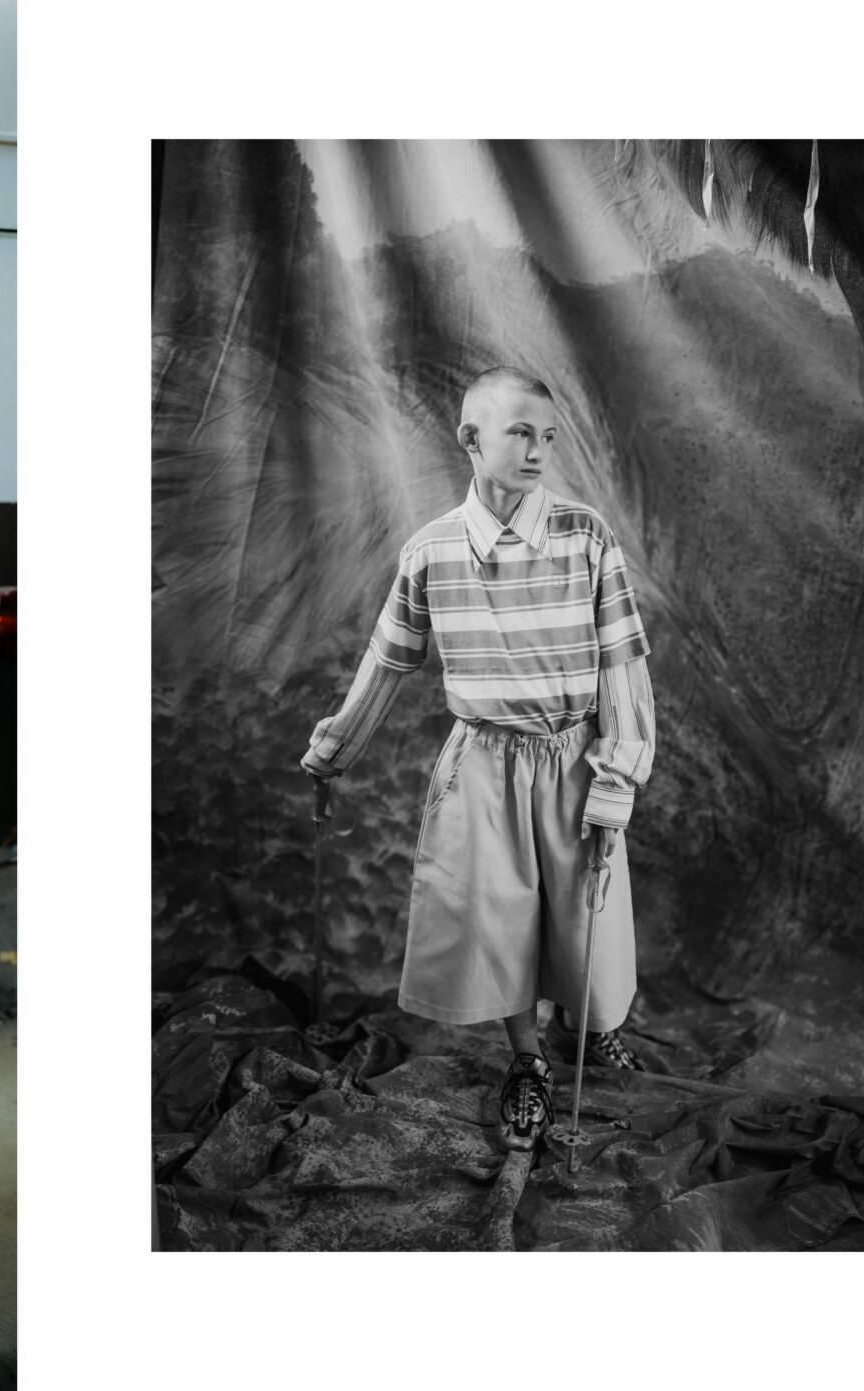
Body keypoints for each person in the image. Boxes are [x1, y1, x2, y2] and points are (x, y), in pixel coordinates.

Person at [299, 366, 656, 1152]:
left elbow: (624, 665)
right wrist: (335, 748)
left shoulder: (586, 536)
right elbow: (386, 661)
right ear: (471, 438)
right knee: (498, 922)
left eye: (548, 437)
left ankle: (591, 1030)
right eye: (520, 433)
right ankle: (525, 1058)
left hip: (573, 761)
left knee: (581, 915)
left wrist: (618, 774)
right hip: (482, 767)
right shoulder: (429, 552)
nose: (537, 452)